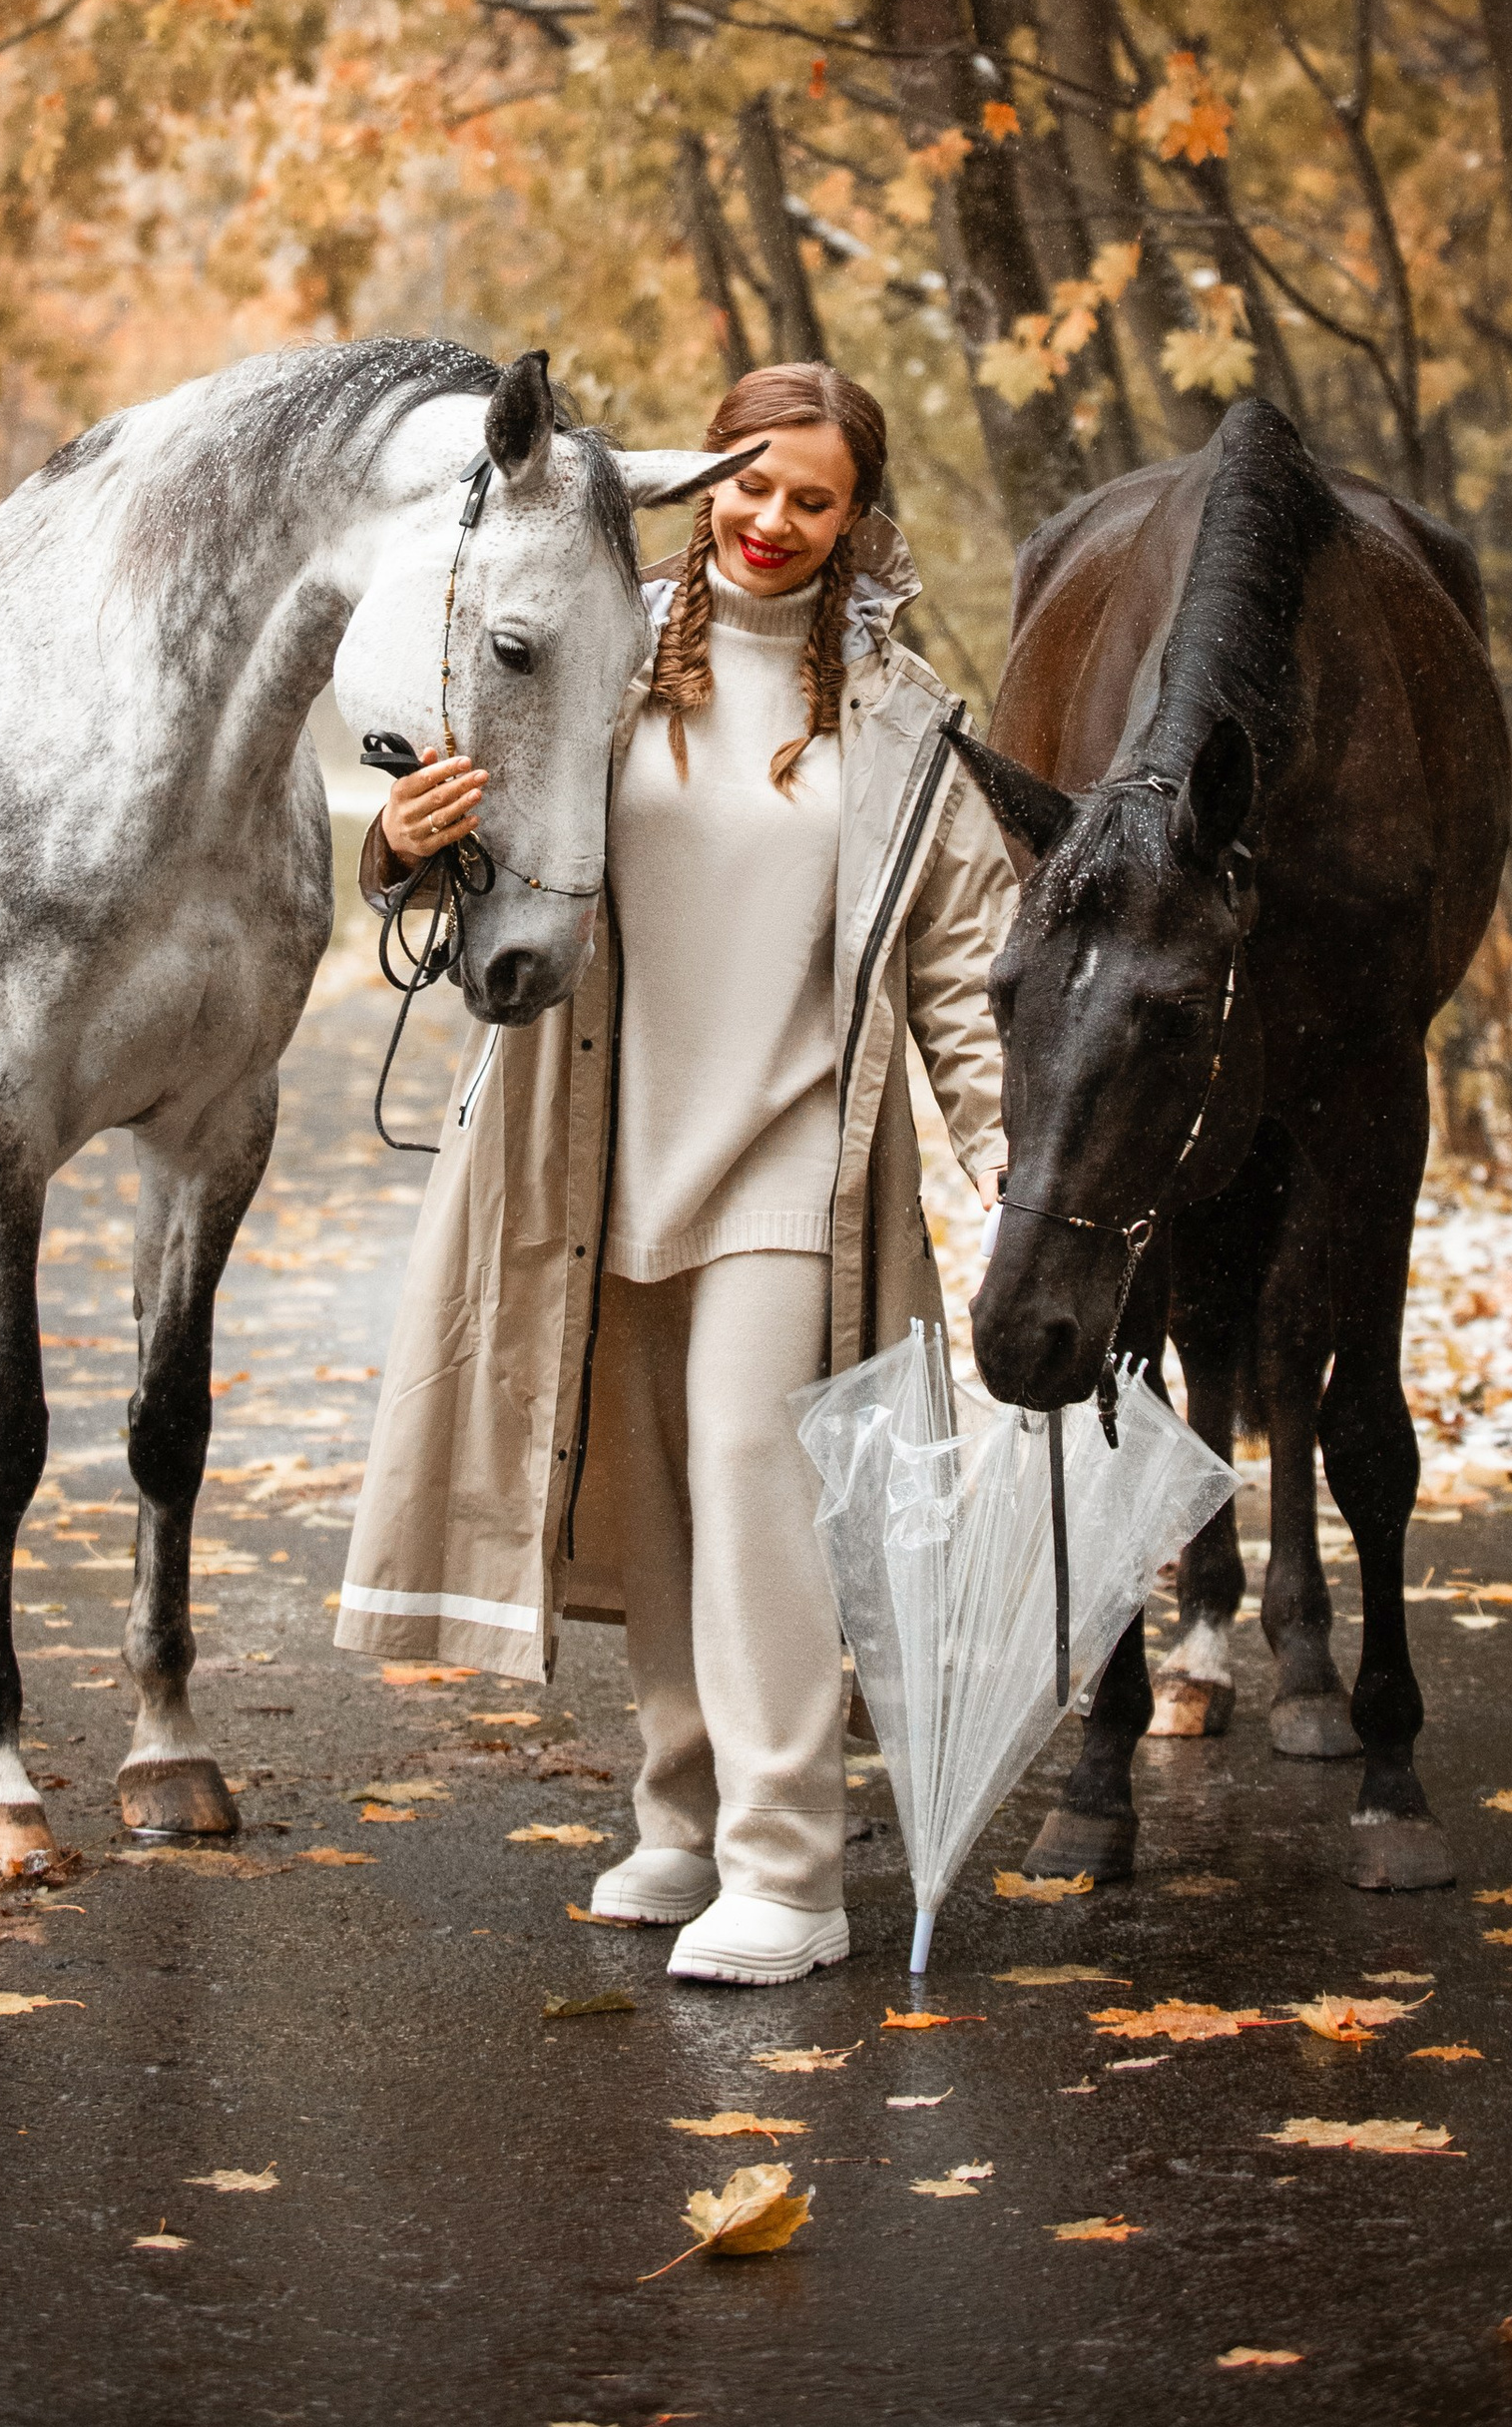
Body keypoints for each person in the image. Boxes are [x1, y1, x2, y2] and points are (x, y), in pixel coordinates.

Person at [335, 362, 1014, 1987]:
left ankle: (790, 1865)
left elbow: (968, 970)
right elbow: (465, 849)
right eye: (750, 484)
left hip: (795, 1150)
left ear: (857, 519)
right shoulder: (598, 651)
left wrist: (1016, 1172)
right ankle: (681, 1818)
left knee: (753, 1474)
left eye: (812, 498)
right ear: (701, 480)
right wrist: (405, 842)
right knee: (650, 1490)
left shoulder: (907, 718)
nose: (771, 521)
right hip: (598, 1131)